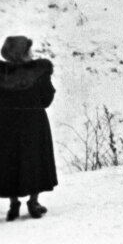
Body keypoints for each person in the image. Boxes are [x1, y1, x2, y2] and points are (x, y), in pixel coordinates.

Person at [1, 35, 57, 221]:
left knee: (9, 161)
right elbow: (46, 99)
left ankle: (13, 203)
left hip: (5, 125)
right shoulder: (39, 72)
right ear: (23, 53)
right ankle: (33, 202)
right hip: (34, 123)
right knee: (34, 160)